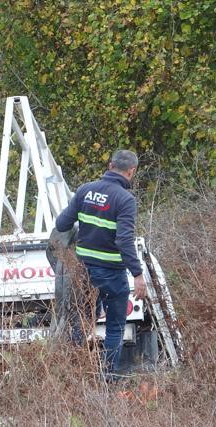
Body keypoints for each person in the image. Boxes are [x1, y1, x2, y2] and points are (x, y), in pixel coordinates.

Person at [54, 149, 146, 380]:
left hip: (83, 271)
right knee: (115, 326)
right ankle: (107, 378)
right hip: (112, 275)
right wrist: (137, 274)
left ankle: (73, 374)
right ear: (131, 171)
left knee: (82, 322)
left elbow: (62, 224)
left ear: (110, 164)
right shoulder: (125, 200)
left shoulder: (85, 190)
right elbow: (124, 240)